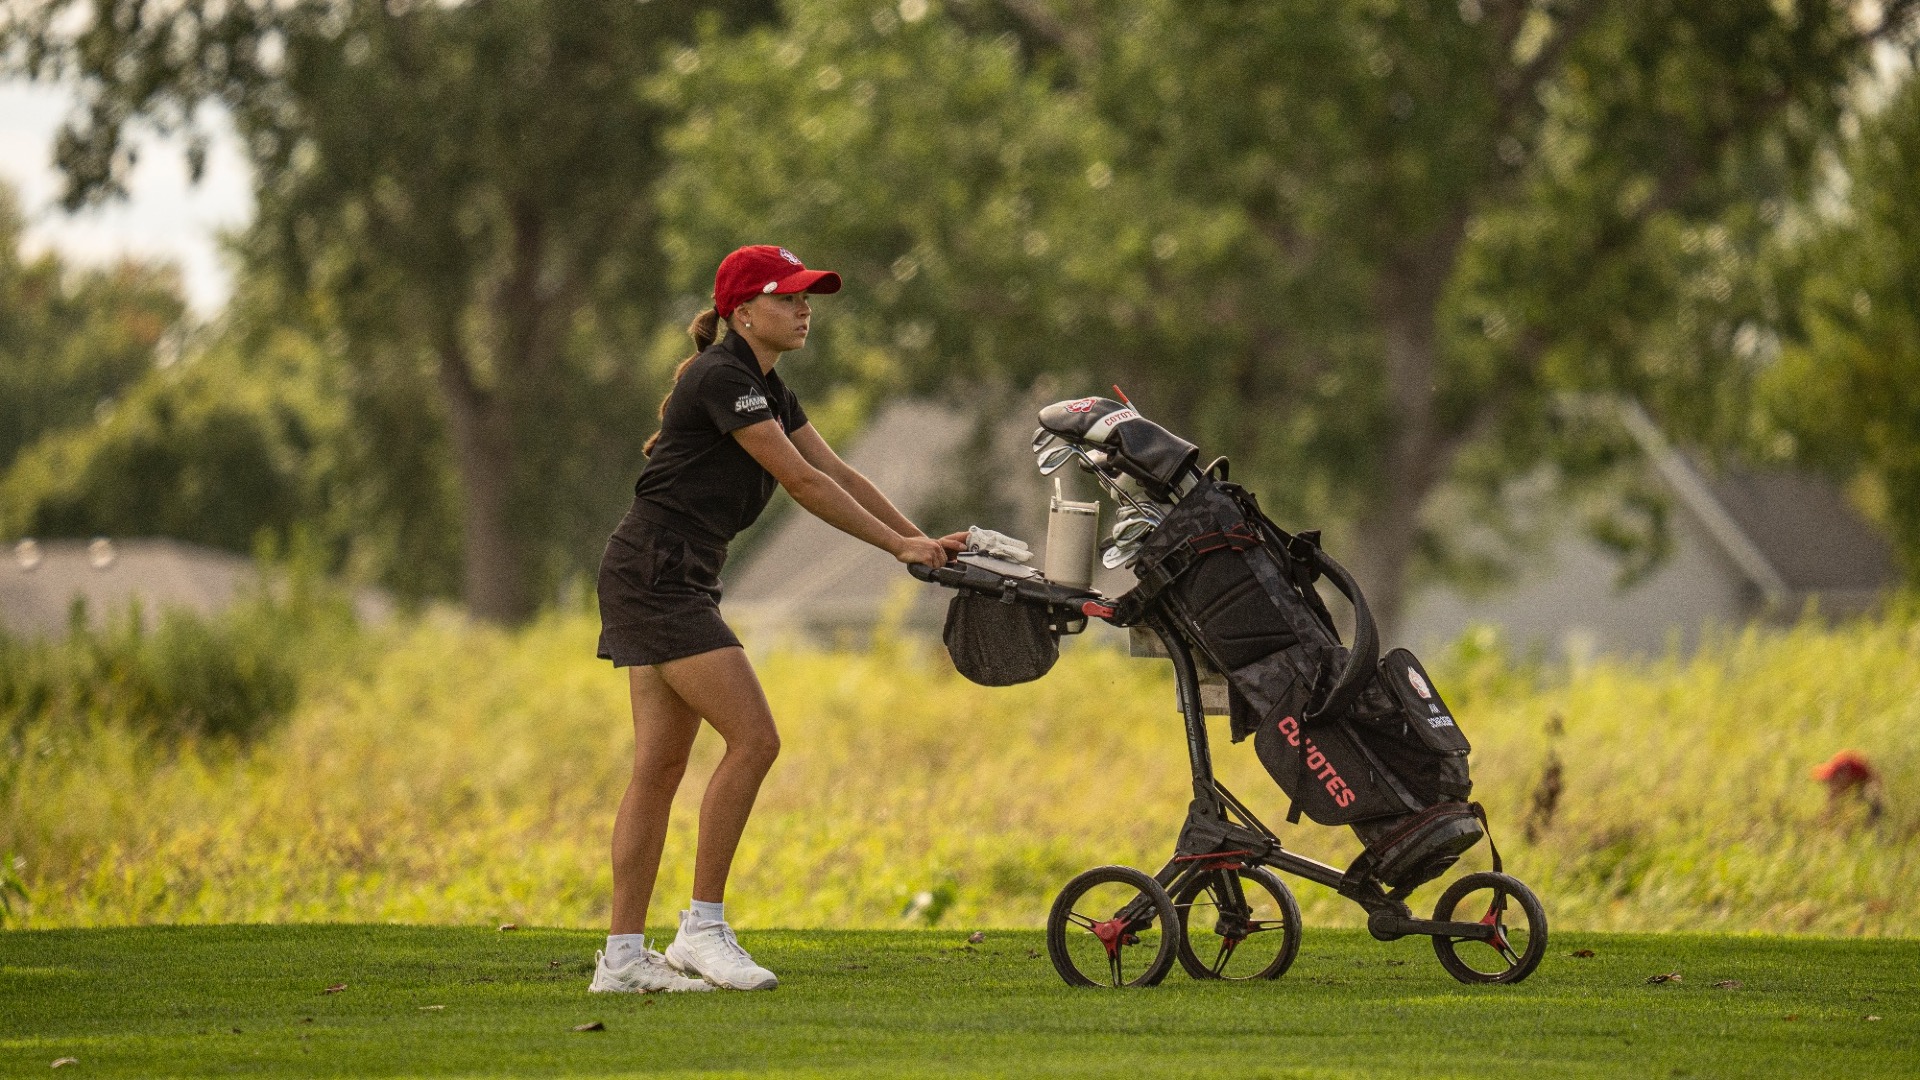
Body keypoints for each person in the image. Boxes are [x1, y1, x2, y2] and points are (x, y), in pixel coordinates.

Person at [588, 245, 963, 993]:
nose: (803, 308)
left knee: (660, 768)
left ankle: (622, 960)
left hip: (666, 572)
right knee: (754, 739)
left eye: (806, 297)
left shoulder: (767, 386)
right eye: (787, 297)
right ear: (741, 313)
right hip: (658, 575)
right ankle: (700, 930)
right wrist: (897, 546)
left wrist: (918, 542)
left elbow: (842, 474)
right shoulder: (723, 376)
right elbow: (798, 481)